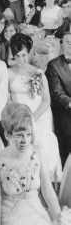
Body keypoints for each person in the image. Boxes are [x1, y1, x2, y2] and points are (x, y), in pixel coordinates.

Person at [0, 103, 61, 224]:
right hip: (12, 218)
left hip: (37, 214)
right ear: (8, 134)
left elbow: (48, 191)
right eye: (19, 135)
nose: (25, 141)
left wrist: (59, 218)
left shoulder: (36, 153)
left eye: (28, 135)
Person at [8, 33, 62, 181]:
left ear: (29, 53)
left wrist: (32, 118)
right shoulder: (9, 73)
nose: (21, 60)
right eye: (17, 55)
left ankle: (46, 183)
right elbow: (7, 100)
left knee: (44, 144)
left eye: (24, 55)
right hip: (19, 116)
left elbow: (46, 100)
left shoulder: (38, 74)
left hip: (39, 115)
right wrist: (19, 116)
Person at [45, 31, 71, 163]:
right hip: (65, 112)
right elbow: (56, 92)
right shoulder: (53, 65)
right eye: (67, 42)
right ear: (61, 45)